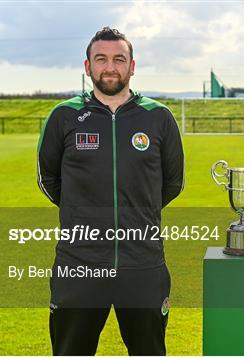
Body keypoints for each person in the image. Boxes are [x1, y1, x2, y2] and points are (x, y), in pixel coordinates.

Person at [37, 27, 184, 355]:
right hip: (79, 263)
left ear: (132, 66)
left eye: (119, 59)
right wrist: (84, 211)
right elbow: (48, 179)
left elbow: (172, 183)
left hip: (143, 263)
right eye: (100, 59)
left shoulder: (158, 117)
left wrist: (137, 210)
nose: (110, 67)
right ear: (87, 67)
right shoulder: (64, 116)